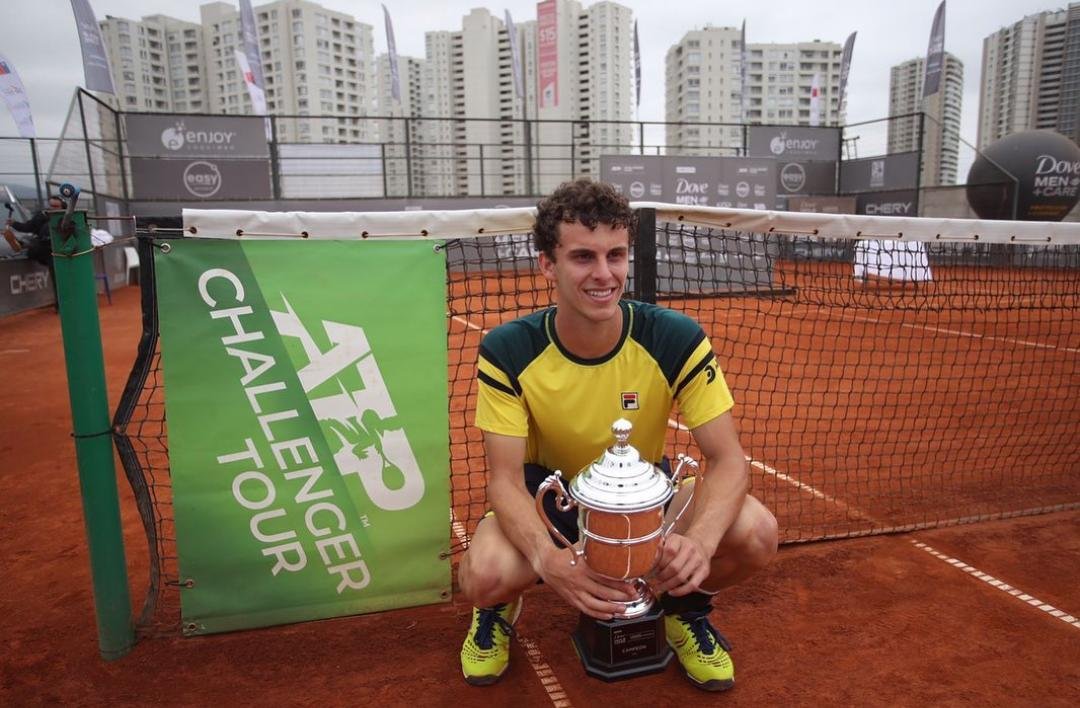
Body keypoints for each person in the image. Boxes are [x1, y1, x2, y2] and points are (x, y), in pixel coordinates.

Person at [458, 179, 778, 692]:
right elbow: (503, 480)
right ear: (548, 265)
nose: (603, 274)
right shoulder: (507, 350)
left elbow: (727, 459)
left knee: (756, 532)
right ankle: (499, 609)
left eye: (616, 255)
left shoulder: (675, 337)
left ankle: (682, 609)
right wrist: (547, 558)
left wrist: (698, 542)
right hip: (551, 500)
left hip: (644, 500)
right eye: (583, 257)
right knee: (483, 576)